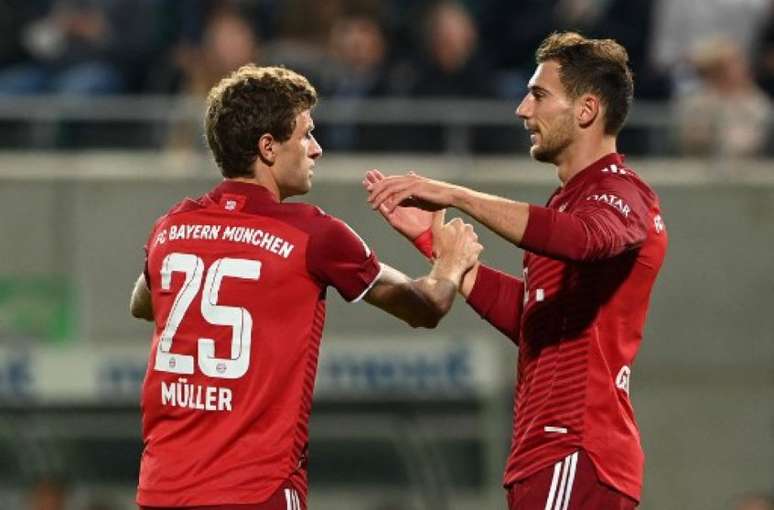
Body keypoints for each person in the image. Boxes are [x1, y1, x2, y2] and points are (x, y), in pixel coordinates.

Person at [129, 64, 482, 510]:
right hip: (254, 491)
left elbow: (142, 304)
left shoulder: (171, 226)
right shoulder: (315, 234)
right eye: (307, 134)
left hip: (161, 491)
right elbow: (427, 306)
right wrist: (448, 262)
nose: (316, 149)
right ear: (268, 148)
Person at [366, 32, 668, 509]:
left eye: (539, 95)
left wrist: (457, 194)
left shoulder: (622, 191)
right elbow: (534, 320)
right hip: (547, 451)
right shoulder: (566, 203)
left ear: (586, 110)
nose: (522, 109)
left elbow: (587, 239)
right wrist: (443, 253)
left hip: (576, 444)